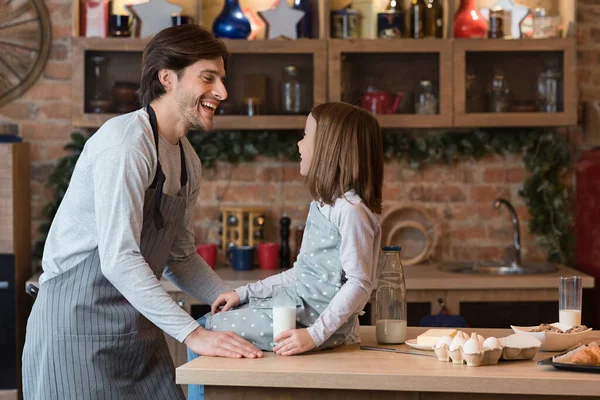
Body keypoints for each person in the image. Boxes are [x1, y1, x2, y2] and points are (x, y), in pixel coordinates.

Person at [22, 25, 262, 400]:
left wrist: (227, 295)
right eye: (208, 77)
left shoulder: (188, 160)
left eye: (221, 79)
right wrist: (196, 335)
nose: (222, 92)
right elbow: (119, 259)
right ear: (167, 78)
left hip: (137, 335)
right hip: (76, 333)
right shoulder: (126, 146)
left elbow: (179, 258)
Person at [202, 102, 384, 355]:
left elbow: (359, 284)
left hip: (314, 324)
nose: (299, 144)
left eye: (306, 136)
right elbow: (301, 273)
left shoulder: (351, 211)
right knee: (214, 321)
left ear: (329, 149)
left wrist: (313, 335)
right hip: (301, 310)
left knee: (207, 328)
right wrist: (242, 293)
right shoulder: (323, 205)